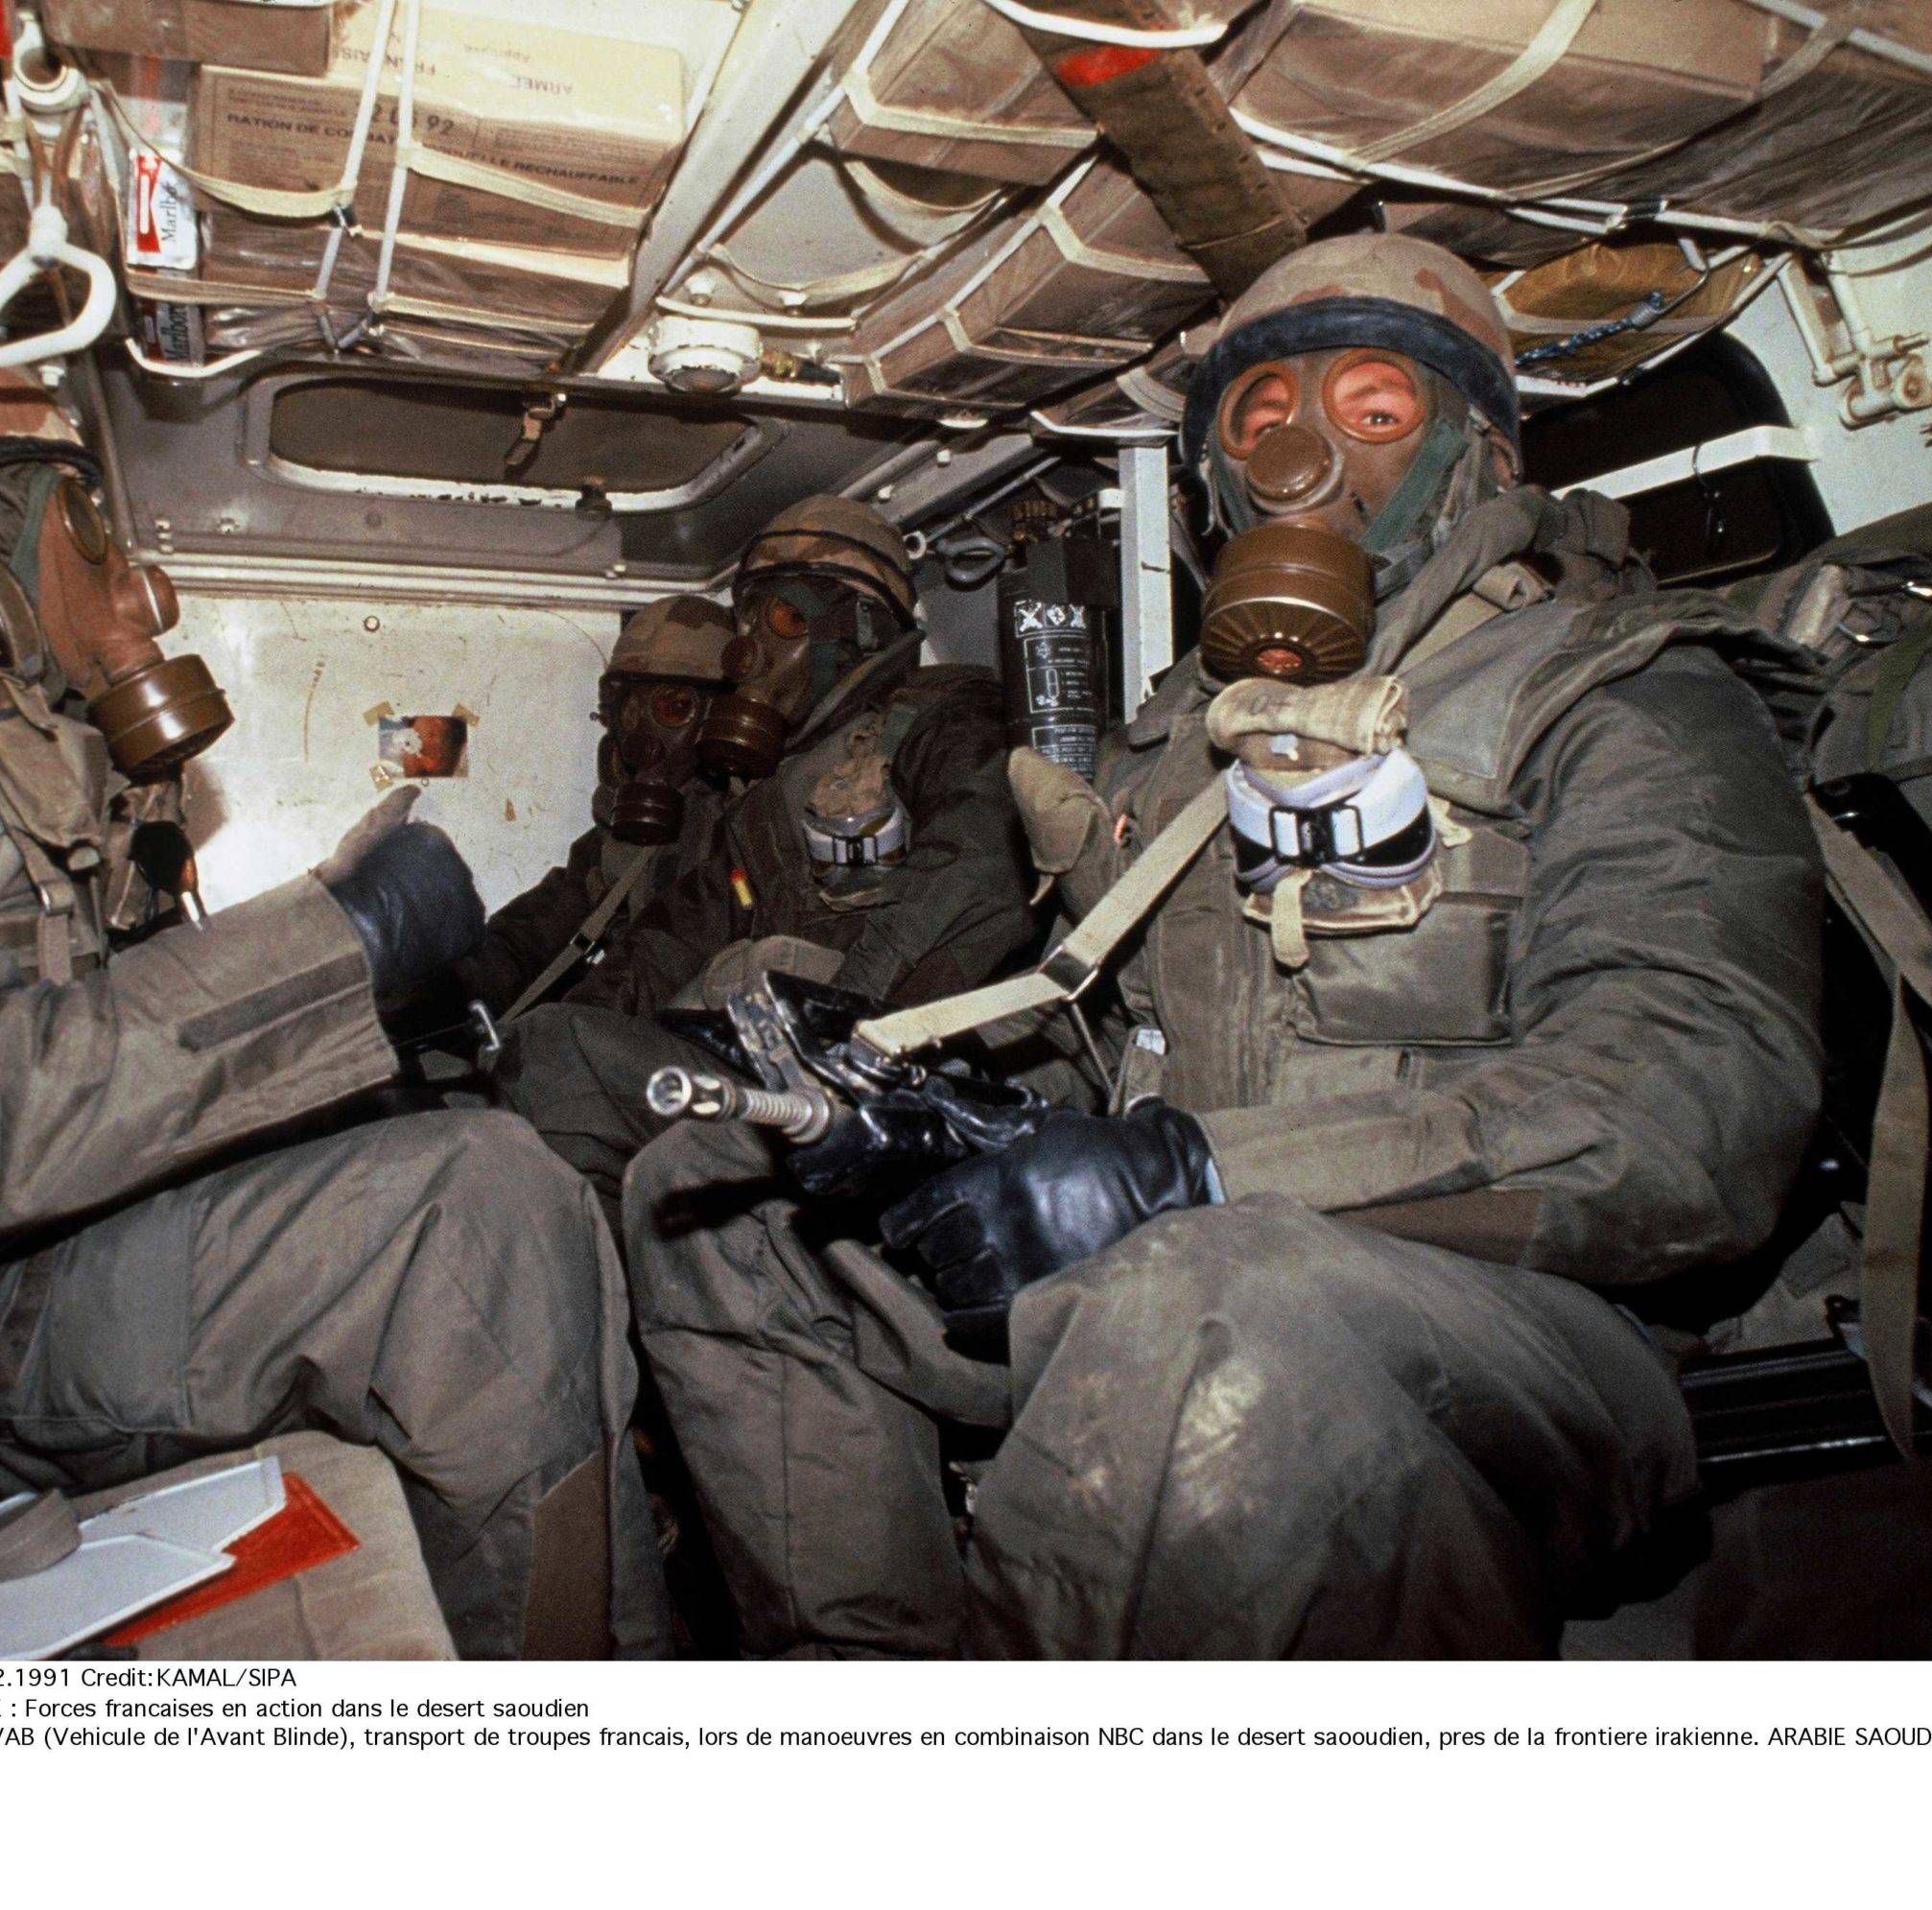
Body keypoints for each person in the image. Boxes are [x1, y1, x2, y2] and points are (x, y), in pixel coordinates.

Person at [622, 234, 1825, 1658]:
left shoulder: (1622, 697)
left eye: (1372, 411)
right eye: (1258, 420)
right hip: (1168, 1271)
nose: (1301, 459)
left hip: (1528, 1337)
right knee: (713, 1188)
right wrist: (916, 1108)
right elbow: (1101, 1039)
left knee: (1199, 1297)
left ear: (1487, 457)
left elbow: (1692, 1120)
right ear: (1211, 484)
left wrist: (1196, 1174)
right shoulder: (1180, 735)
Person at [0, 317, 665, 1658]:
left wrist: (332, 988)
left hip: (11, 1268)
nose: (133, 580)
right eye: (86, 516)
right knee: (477, 1211)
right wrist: (346, 933)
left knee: (437, 1141)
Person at [484, 496, 1037, 1227]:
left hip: (896, 1075)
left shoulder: (944, 719)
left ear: (860, 629)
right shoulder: (764, 797)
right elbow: (668, 940)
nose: (748, 652)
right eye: (745, 624)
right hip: (778, 1070)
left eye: (781, 622)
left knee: (577, 1069)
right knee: (553, 1047)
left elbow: (978, 871)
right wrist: (525, 1042)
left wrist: (849, 1041)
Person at [447, 591, 736, 1023]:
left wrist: (559, 1037)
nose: (644, 736)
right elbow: (534, 933)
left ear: (723, 720)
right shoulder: (612, 845)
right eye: (631, 710)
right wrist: (445, 992)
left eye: (674, 708)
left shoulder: (734, 834)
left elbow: (660, 960)